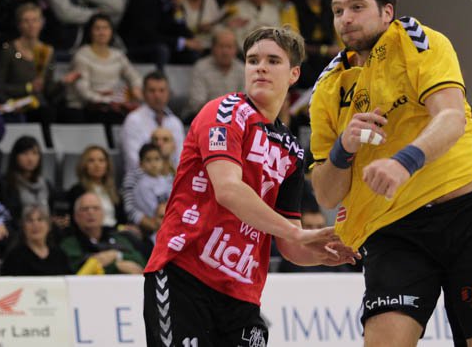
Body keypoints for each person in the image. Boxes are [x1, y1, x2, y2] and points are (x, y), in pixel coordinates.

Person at [309, 0, 472, 345]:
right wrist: (344, 148)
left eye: (357, 7)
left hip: (467, 217)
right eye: (338, 11)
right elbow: (325, 194)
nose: (345, 19)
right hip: (394, 232)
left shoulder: (420, 41)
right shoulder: (328, 87)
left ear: (386, 12)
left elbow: (451, 117)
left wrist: (403, 162)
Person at [142, 26, 357, 346]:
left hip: (242, 294)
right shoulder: (224, 112)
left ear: (294, 73)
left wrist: (321, 253)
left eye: (273, 60)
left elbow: (289, 244)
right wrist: (296, 233)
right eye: (253, 60)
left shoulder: (292, 150)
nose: (260, 67)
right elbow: (228, 190)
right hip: (185, 276)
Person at [64, 13, 142, 124]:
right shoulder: (82, 55)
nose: (102, 32)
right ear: (90, 32)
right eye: (97, 28)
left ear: (111, 31)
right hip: (86, 106)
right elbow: (84, 91)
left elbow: (134, 77)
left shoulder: (118, 55)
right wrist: (109, 100)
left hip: (112, 105)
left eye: (105, 28)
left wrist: (135, 87)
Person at [60, 191, 145, 275]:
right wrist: (117, 266)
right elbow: (78, 268)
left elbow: (141, 262)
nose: (91, 212)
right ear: (76, 216)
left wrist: (116, 255)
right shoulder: (69, 244)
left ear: (103, 214)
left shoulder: (118, 239)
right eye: (85, 209)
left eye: (96, 208)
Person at [120, 70, 185, 174]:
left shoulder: (175, 123)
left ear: (169, 93)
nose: (157, 95)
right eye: (152, 91)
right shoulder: (133, 120)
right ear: (143, 93)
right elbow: (134, 162)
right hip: (141, 180)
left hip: (172, 179)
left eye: (161, 90)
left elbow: (181, 160)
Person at [0, 136, 57, 226]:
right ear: (15, 157)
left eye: (34, 153)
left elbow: (52, 212)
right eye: (25, 153)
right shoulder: (6, 184)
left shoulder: (47, 185)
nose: (30, 159)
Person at [187, 28, 245, 117]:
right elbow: (197, 103)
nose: (225, 51)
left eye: (229, 47)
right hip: (204, 116)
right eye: (221, 46)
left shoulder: (242, 69)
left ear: (236, 50)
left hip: (235, 117)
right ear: (213, 48)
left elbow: (245, 102)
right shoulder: (201, 67)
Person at [0, 204, 71, 276]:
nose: (35, 224)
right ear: (23, 227)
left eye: (40, 219)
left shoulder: (60, 256)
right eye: (30, 220)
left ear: (49, 226)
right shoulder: (14, 257)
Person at [65, 145, 127, 228]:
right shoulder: (77, 191)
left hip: (114, 232)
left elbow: (122, 221)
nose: (97, 165)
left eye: (101, 160)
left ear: (107, 165)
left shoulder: (114, 192)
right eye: (91, 161)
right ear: (84, 165)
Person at [131, 143, 173, 242]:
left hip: (170, 220)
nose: (153, 164)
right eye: (148, 160)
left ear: (162, 161)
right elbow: (154, 212)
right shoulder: (142, 186)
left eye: (157, 159)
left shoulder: (165, 180)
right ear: (141, 164)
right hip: (154, 230)